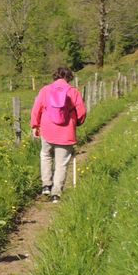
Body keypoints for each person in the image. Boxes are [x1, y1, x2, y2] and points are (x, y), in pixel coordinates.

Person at [30, 67, 87, 203]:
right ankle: (56, 193)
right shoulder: (73, 92)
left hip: (47, 129)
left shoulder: (45, 90)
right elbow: (82, 112)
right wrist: (76, 123)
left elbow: (36, 108)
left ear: (55, 76)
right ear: (69, 78)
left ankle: (46, 186)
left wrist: (35, 125)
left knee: (45, 155)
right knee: (61, 163)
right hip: (66, 132)